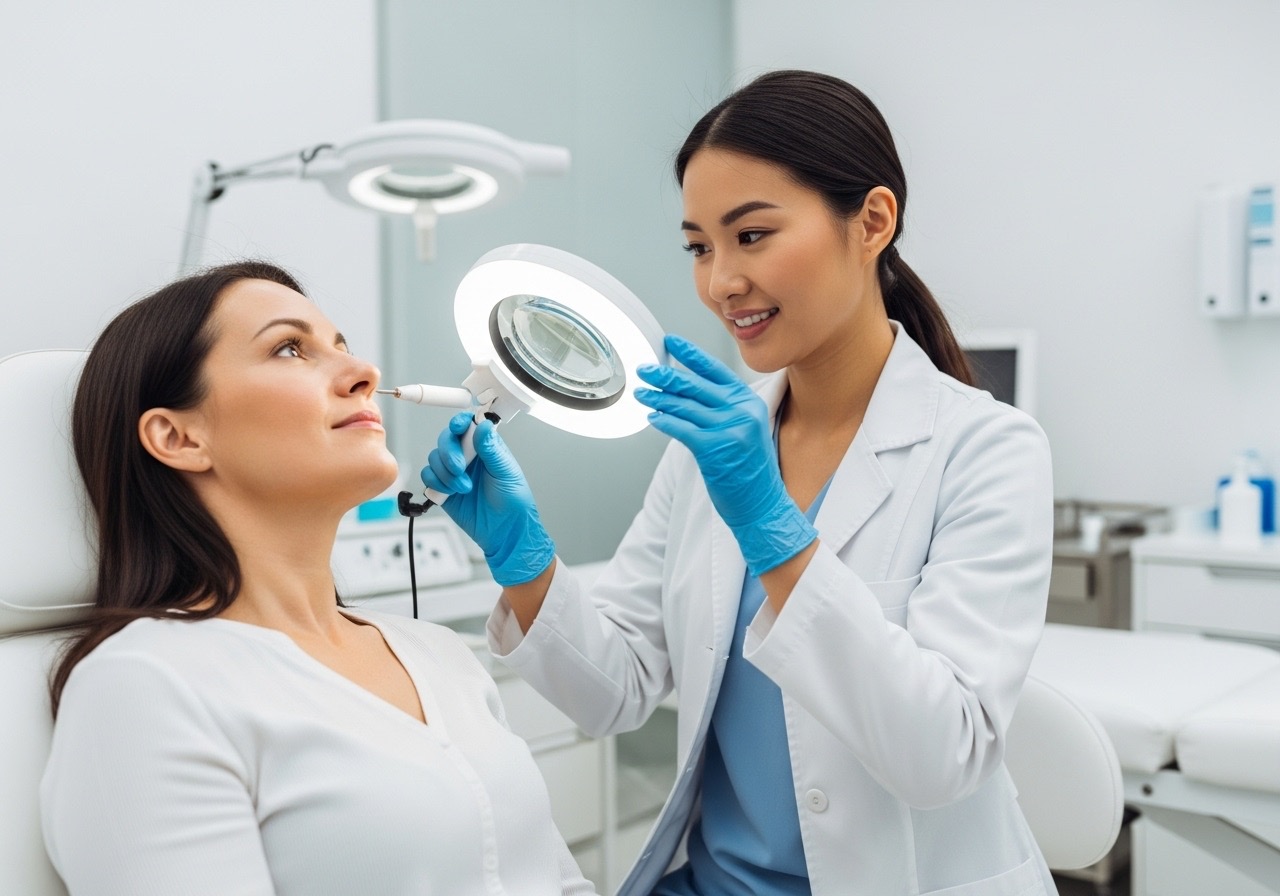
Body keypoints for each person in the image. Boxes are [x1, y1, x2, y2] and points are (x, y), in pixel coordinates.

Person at [422, 69, 1057, 895]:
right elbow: (617, 691)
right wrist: (526, 561)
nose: (721, 282)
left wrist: (772, 528)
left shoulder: (987, 449)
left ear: (872, 221)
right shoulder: (704, 452)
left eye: (751, 235)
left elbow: (944, 756)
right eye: (699, 247)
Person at [40, 261, 597, 896]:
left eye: (342, 345)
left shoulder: (438, 653)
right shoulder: (146, 688)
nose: (365, 373)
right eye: (288, 348)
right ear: (178, 436)